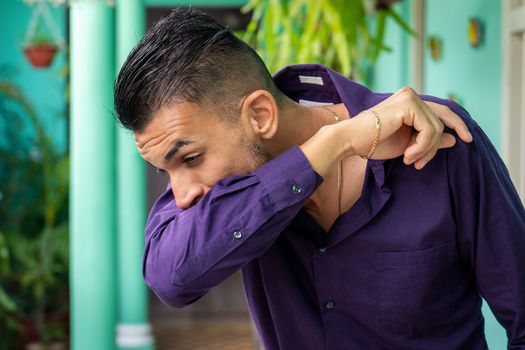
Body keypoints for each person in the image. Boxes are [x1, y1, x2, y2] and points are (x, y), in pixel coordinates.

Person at [113, 8, 525, 350]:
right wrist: (336, 143)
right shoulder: (203, 189)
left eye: (191, 158)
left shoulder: (436, 137)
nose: (181, 195)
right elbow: (171, 276)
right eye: (166, 170)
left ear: (260, 115)